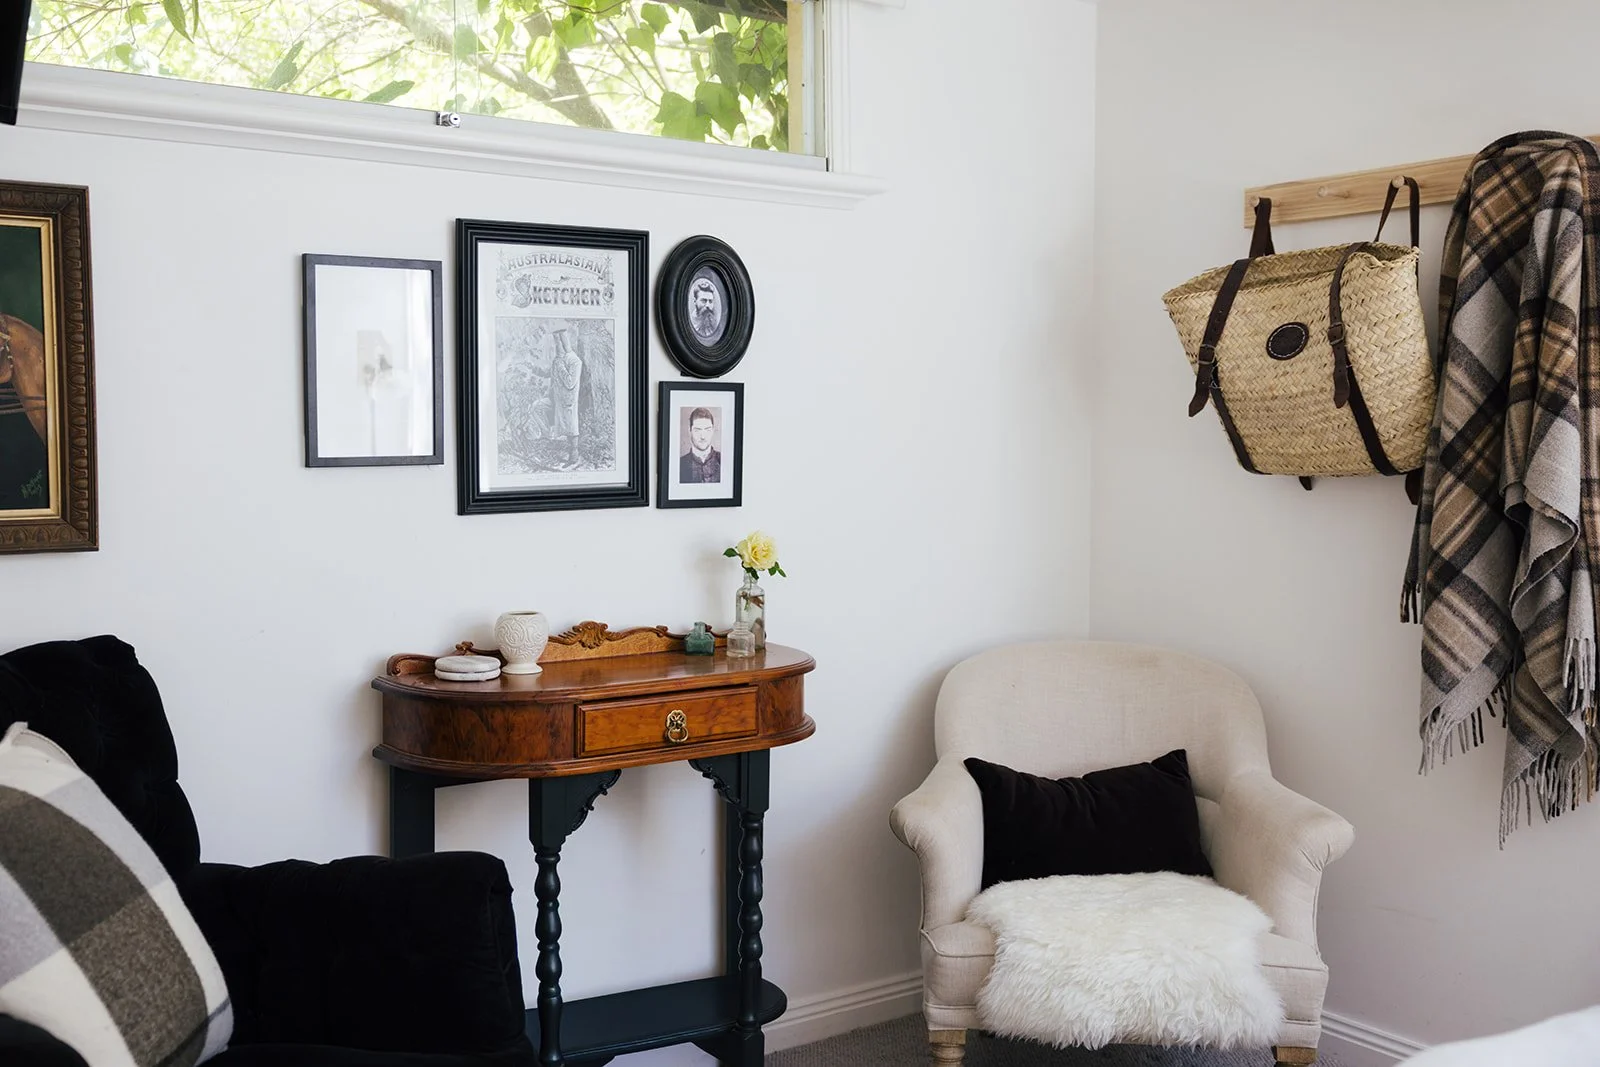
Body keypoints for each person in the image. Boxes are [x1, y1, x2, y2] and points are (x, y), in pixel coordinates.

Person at [548, 329, 583, 469]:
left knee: (572, 428)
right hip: (560, 399)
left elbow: (570, 383)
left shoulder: (575, 361)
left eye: (559, 342)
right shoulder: (559, 359)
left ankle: (574, 457)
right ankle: (571, 456)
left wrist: (560, 366)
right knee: (566, 429)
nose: (557, 346)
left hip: (569, 400)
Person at [679, 406, 721, 483]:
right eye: (697, 430)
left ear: (712, 431)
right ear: (690, 431)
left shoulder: (723, 461)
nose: (703, 437)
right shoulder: (679, 465)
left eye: (707, 430)